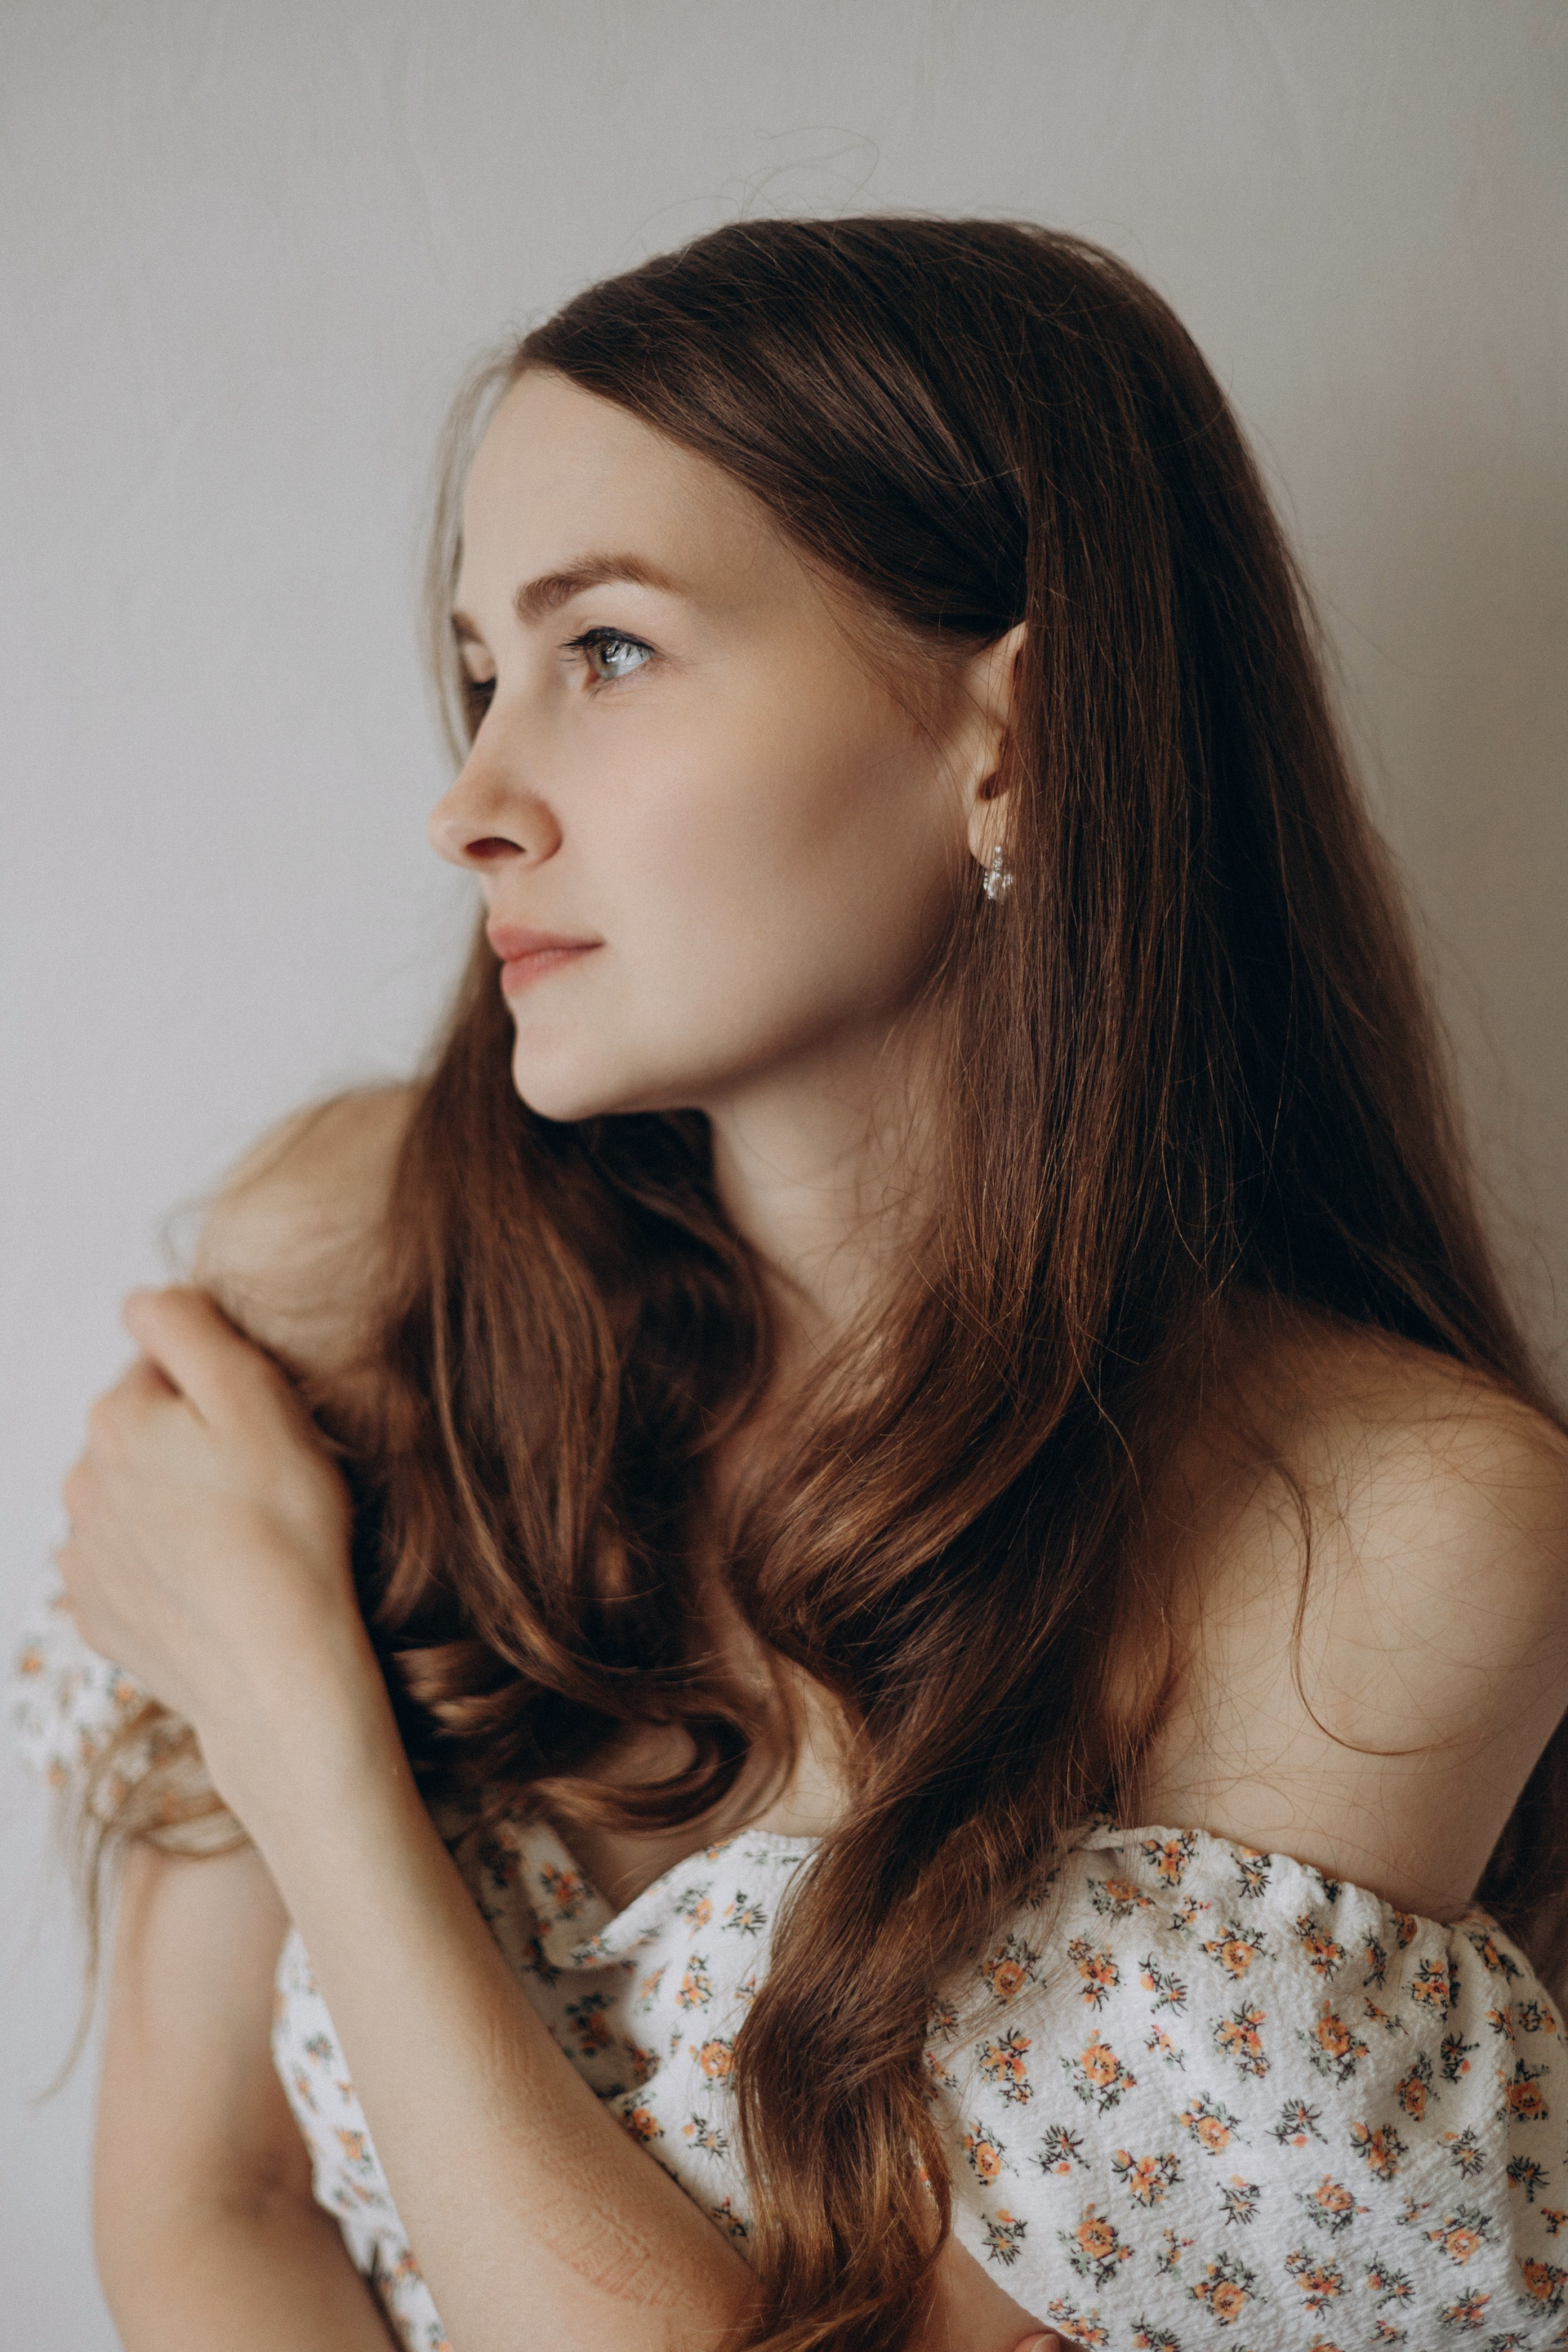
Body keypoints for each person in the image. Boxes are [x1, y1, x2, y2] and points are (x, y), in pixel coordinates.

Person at [16, 216, 1568, 2352]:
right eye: (481, 672)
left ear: (1010, 735)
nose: (471, 804)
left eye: (608, 651)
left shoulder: (1388, 1541)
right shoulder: (363, 1273)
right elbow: (212, 2204)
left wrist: (300, 1719)